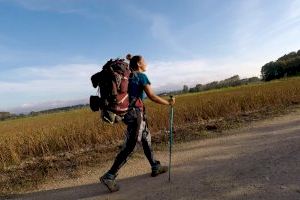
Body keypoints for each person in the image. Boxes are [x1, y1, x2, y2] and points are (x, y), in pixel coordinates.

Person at [100, 54, 176, 192]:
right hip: (136, 115)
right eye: (144, 61)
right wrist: (168, 103)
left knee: (146, 138)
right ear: (140, 64)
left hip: (129, 114)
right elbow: (152, 96)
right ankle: (109, 176)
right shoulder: (141, 77)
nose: (146, 63)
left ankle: (155, 166)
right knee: (131, 145)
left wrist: (130, 59)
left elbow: (132, 65)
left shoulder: (128, 75)